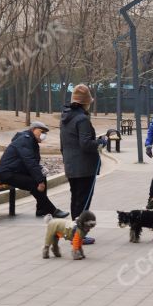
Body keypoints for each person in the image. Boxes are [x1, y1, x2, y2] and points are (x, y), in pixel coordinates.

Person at [60, 84, 107, 243]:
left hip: (71, 165)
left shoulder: (66, 117)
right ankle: (78, 235)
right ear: (85, 102)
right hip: (84, 167)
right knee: (83, 202)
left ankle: (73, 232)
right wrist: (100, 142)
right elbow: (85, 143)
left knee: (76, 199)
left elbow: (64, 144)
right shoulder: (82, 119)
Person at [0, 121, 69, 218]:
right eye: (41, 132)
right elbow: (30, 161)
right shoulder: (25, 140)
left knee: (42, 177)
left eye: (45, 133)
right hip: (6, 174)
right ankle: (52, 210)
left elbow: (33, 162)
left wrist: (41, 172)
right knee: (35, 183)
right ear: (34, 130)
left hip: (15, 171)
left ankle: (41, 209)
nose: (43, 135)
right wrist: (39, 181)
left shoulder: (31, 141)